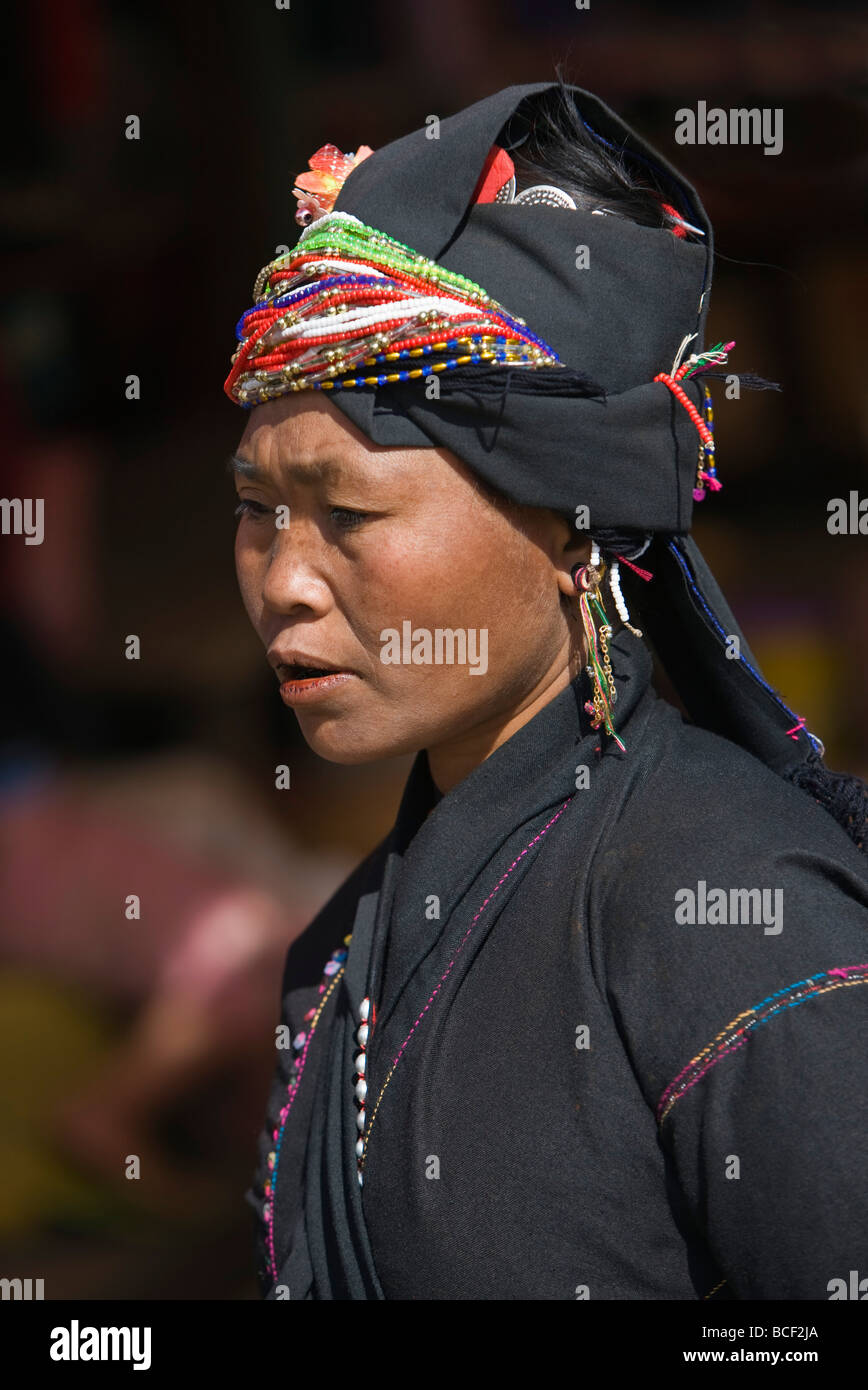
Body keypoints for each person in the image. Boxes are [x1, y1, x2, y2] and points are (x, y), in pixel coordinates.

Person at [224, 80, 868, 1299]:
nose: (285, 581)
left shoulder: (735, 922)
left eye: (348, 512)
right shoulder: (345, 947)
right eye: (256, 510)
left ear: (575, 532)